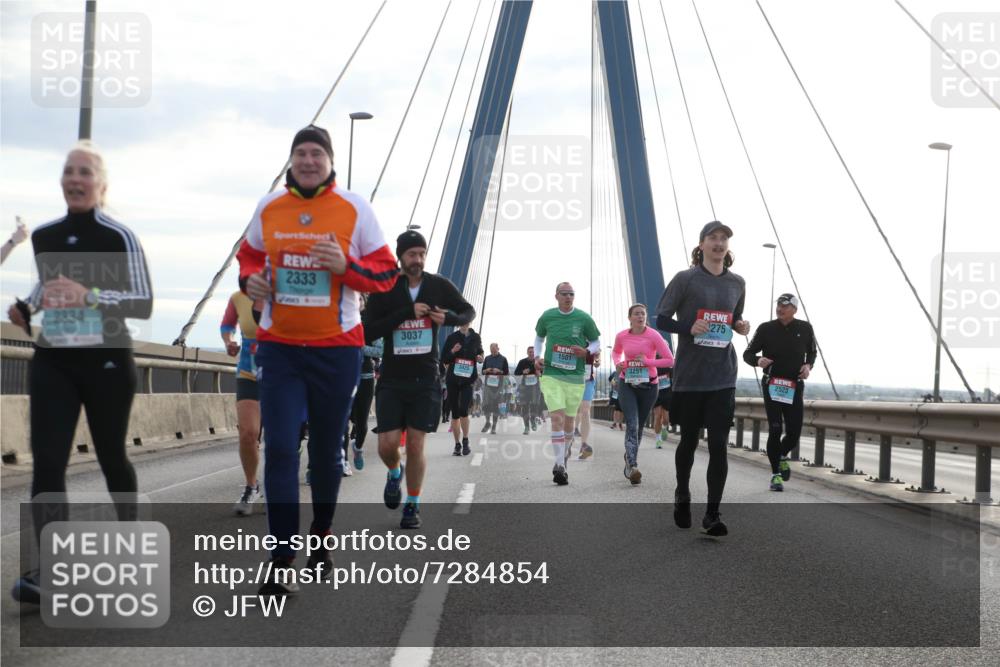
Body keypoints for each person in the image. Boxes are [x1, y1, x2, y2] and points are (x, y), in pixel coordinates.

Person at [239, 124, 398, 595]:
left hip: (336, 349)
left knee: (327, 451)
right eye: (300, 154)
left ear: (330, 163)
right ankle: (281, 555)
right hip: (280, 347)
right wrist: (253, 282)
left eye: (317, 154)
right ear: (291, 161)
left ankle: (322, 534)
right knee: (282, 447)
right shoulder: (270, 206)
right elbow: (247, 256)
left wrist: (345, 269)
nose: (308, 161)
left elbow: (386, 273)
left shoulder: (354, 208)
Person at [9, 142, 153, 604]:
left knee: (112, 456)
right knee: (48, 462)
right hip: (54, 359)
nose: (75, 179)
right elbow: (46, 289)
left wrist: (88, 295)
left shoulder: (118, 236)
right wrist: (24, 307)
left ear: (101, 185)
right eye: (69, 171)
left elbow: (142, 302)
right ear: (61, 181)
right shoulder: (46, 236)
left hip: (107, 361)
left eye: (85, 172)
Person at [363, 230, 475, 528]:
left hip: (426, 378)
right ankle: (394, 472)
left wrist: (447, 318)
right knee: (387, 446)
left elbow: (468, 310)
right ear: (401, 257)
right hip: (392, 379)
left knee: (415, 444)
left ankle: (412, 503)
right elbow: (367, 331)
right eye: (412, 254)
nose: (418, 259)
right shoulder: (386, 288)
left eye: (422, 253)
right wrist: (405, 313)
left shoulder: (438, 285)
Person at [656, 221, 749, 537]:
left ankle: (712, 513)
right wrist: (688, 328)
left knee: (720, 444)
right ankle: (682, 493)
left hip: (723, 375)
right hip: (691, 375)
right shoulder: (685, 279)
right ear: (701, 245)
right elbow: (662, 319)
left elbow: (733, 317)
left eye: (724, 238)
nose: (719, 243)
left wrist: (740, 325)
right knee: (690, 439)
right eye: (713, 237)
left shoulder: (737, 282)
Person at [743, 293, 816, 492]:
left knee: (793, 432)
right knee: (775, 428)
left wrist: (808, 365)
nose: (780, 308)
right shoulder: (766, 329)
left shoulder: (805, 328)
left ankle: (781, 455)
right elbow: (747, 354)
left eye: (785, 305)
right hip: (772, 385)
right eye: (778, 304)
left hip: (794, 386)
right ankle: (775, 475)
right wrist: (758, 360)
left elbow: (812, 352)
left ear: (795, 309)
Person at [533, 282, 601, 485]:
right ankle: (560, 464)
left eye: (571, 293)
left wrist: (587, 351)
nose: (568, 297)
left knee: (570, 421)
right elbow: (539, 338)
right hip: (552, 375)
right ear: (556, 296)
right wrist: (537, 356)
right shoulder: (547, 316)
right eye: (564, 294)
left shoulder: (584, 318)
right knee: (557, 418)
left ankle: (563, 455)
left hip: (575, 377)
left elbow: (596, 340)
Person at [612, 304, 674, 484]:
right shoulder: (622, 336)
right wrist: (618, 362)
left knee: (638, 426)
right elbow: (616, 352)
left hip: (649, 386)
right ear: (629, 317)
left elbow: (670, 360)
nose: (640, 317)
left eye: (643, 314)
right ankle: (633, 465)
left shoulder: (654, 335)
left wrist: (647, 361)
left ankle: (629, 458)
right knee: (632, 422)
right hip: (627, 383)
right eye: (637, 314)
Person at [220, 281, 262, 514]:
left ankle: (278, 486)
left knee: (282, 439)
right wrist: (228, 342)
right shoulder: (238, 297)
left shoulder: (286, 296)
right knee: (248, 433)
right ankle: (251, 486)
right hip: (249, 373)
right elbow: (227, 325)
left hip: (282, 375)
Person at [344, 307, 382, 476]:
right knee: (344, 422)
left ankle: (358, 448)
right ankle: (344, 460)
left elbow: (380, 350)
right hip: (344, 377)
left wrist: (360, 347)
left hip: (365, 378)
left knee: (362, 424)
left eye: (360, 298)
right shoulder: (341, 319)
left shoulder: (370, 325)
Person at [441, 323, 483, 455]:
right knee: (455, 412)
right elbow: (444, 359)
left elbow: (480, 353)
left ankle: (465, 440)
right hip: (453, 379)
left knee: (464, 409)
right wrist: (453, 351)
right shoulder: (452, 337)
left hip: (468, 379)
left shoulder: (476, 337)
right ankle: (457, 444)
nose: (465, 322)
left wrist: (480, 358)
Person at [480, 343, 509, 434]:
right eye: (491, 350)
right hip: (488, 385)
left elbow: (507, 373)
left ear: (498, 348)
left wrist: (499, 371)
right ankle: (488, 422)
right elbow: (483, 371)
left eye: (494, 350)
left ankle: (494, 426)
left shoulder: (503, 359)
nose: (492, 351)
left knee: (496, 406)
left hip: (498, 386)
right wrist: (486, 370)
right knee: (486, 405)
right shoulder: (487, 358)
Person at [575, 351, 600, 460]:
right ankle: (568, 438)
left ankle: (584, 445)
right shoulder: (567, 337)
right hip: (569, 380)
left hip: (587, 380)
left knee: (585, 411)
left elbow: (597, 357)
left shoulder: (592, 341)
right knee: (573, 411)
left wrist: (597, 360)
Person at [514, 346, 542, 435]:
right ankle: (526, 427)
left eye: (533, 352)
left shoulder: (539, 362)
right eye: (530, 352)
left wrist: (539, 373)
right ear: (527, 353)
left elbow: (544, 373)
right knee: (524, 406)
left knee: (534, 405)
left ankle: (533, 420)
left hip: (535, 386)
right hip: (525, 387)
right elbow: (516, 372)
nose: (532, 353)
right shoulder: (522, 362)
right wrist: (523, 371)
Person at [652, 365, 673, 448]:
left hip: (667, 394)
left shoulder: (669, 366)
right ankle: (658, 439)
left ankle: (664, 427)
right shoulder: (653, 366)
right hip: (656, 394)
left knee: (666, 419)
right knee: (657, 416)